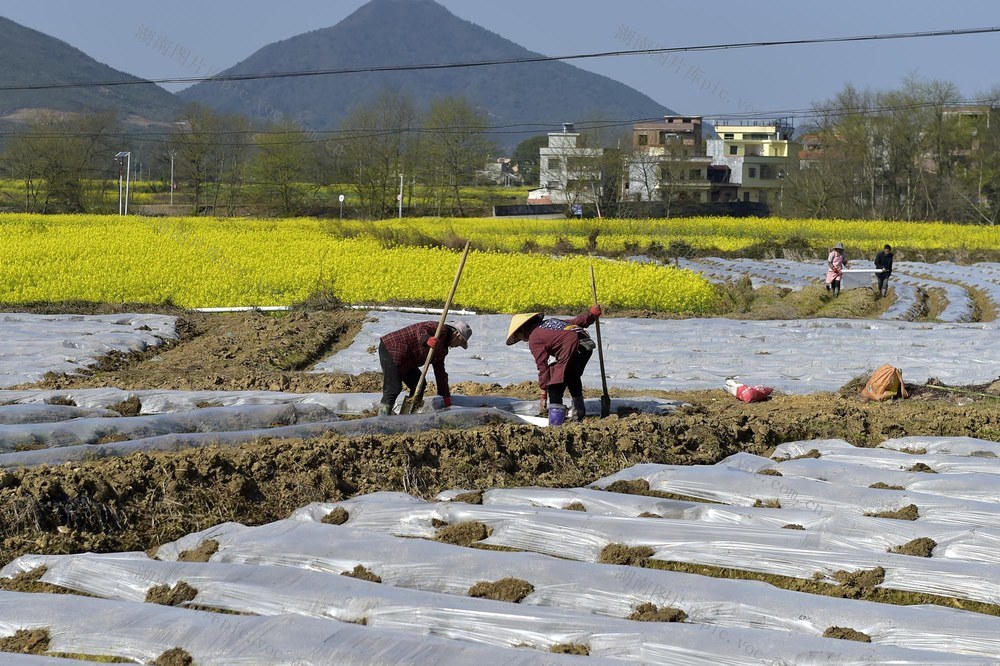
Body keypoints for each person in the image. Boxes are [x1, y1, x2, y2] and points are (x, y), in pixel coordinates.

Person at [505, 306, 601, 422]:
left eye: (517, 335)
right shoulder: (551, 322)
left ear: (523, 330)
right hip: (585, 346)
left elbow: (542, 365)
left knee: (555, 385)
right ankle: (578, 414)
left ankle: (556, 422)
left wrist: (543, 390)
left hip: (572, 346)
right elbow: (577, 322)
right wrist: (591, 314)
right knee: (572, 377)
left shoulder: (535, 338)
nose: (519, 339)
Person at [377, 320, 472, 416]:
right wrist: (427, 339)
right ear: (456, 334)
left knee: (419, 384)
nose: (459, 345)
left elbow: (440, 374)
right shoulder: (440, 329)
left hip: (408, 359)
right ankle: (382, 419)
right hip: (393, 348)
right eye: (461, 342)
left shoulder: (442, 350)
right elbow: (421, 329)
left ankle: (408, 416)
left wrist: (445, 397)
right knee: (393, 388)